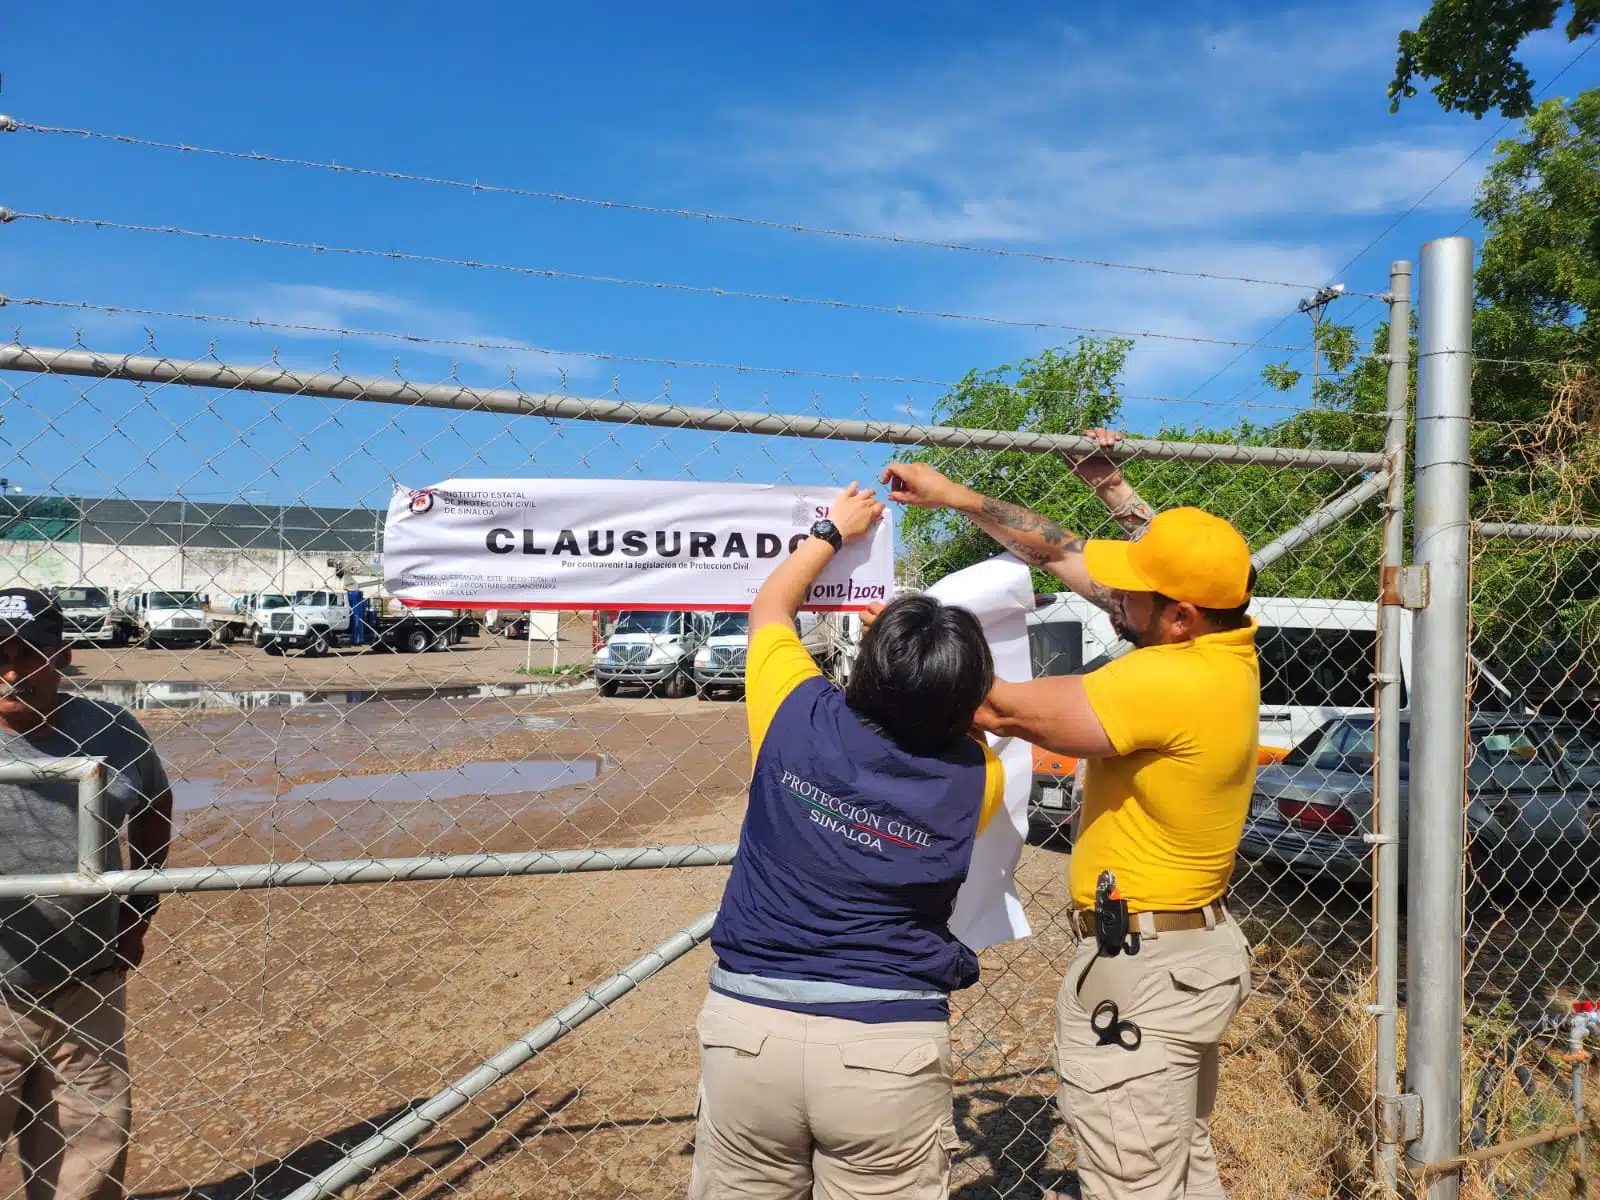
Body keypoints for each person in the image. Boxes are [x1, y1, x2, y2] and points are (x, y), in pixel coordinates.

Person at [882, 461, 1258, 1200]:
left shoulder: (1165, 682)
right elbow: (1057, 554)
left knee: (1132, 1180)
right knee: (1180, 1158)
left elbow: (999, 710)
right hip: (1192, 954)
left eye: (1132, 592)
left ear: (1179, 615)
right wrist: (955, 495)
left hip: (1146, 970)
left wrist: (906, 639)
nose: (1113, 593)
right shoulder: (1227, 645)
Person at [690, 484, 1004, 1200]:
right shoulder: (976, 777)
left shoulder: (795, 714)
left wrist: (832, 530)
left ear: (868, 665)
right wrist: (929, 667)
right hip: (886, 1040)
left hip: (750, 1029)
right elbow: (971, 721)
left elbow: (771, 609)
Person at [0, 587, 173, 1200]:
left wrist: (139, 910)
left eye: (31, 653)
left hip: (87, 977)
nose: (14, 670)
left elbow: (153, 809)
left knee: (94, 1131)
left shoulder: (112, 729)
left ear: (63, 656)